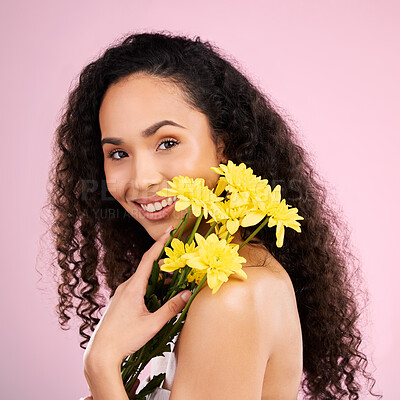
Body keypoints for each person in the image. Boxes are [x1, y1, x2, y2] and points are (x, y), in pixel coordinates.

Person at [47, 32, 380, 399]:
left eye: (167, 143)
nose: (141, 180)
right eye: (119, 153)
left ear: (224, 146)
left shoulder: (231, 295)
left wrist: (101, 366)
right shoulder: (186, 274)